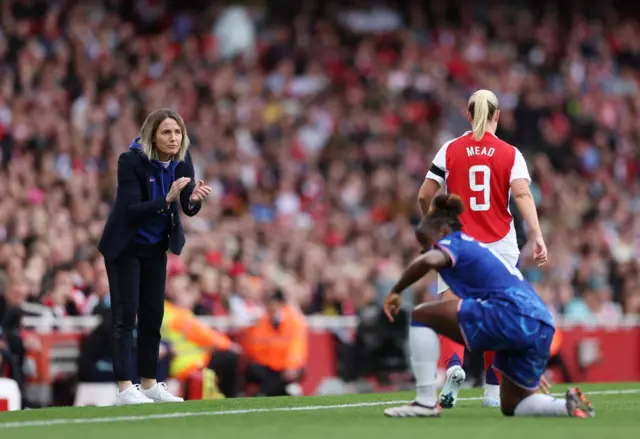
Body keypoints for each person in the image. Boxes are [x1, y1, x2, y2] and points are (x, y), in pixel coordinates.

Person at [382, 194, 593, 418]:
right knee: (513, 404)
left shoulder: (455, 242)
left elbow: (428, 261)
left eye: (427, 243)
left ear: (443, 232)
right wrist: (525, 346)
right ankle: (566, 406)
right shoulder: (478, 249)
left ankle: (424, 402)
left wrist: (396, 290)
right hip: (539, 323)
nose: (425, 251)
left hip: (512, 314)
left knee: (421, 315)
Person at [416, 89, 546, 408]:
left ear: (468, 115)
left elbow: (424, 194)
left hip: (459, 244)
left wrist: (433, 225)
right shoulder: (510, 153)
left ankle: (455, 366)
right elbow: (522, 196)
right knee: (498, 314)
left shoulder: (450, 149)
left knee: (451, 309)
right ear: (497, 116)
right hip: (499, 243)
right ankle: (491, 388)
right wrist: (537, 234)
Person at [98, 108, 212, 405]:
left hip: (155, 247)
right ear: (152, 135)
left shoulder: (183, 160)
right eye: (166, 132)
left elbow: (186, 206)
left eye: (177, 132)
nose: (173, 138)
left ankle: (149, 384)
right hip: (125, 246)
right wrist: (166, 200)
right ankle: (126, 388)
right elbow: (131, 208)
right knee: (126, 316)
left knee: (153, 316)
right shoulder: (130, 161)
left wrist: (194, 202)